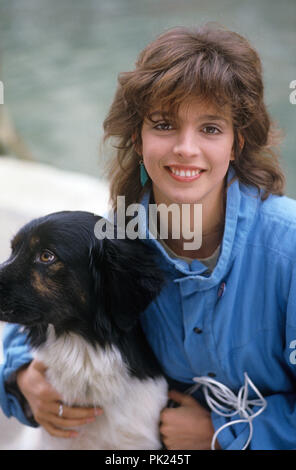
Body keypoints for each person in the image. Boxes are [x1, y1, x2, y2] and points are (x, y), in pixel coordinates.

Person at [1, 23, 296, 450]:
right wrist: (22, 380)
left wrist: (223, 433)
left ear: (237, 143)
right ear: (138, 139)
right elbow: (28, 314)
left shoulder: (288, 249)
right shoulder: (109, 239)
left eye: (211, 129)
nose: (185, 148)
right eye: (164, 125)